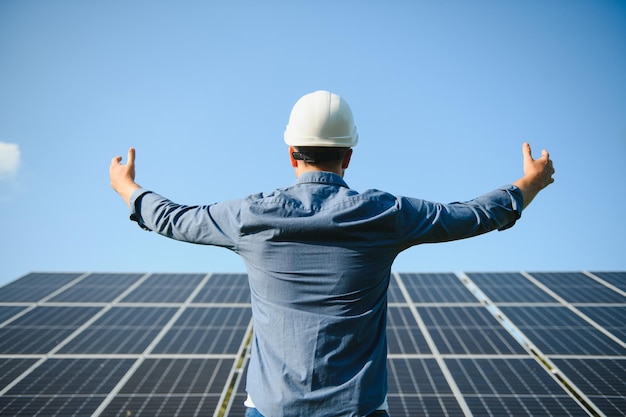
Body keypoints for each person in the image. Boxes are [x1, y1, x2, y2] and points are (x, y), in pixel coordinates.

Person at [110, 90, 555, 417]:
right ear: (348, 155)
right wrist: (529, 184)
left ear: (291, 153)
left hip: (270, 409)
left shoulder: (250, 215)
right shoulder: (385, 215)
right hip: (357, 410)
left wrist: (127, 187)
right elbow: (468, 215)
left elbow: (173, 218)